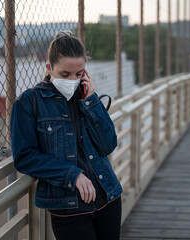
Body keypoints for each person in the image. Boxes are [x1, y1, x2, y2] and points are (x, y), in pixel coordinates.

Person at [10, 31, 123, 240]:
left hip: (108, 197)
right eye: (64, 74)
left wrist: (91, 101)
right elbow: (25, 157)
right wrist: (72, 174)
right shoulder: (28, 103)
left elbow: (108, 145)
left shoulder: (86, 97)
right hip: (70, 208)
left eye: (79, 74)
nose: (72, 80)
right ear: (49, 68)